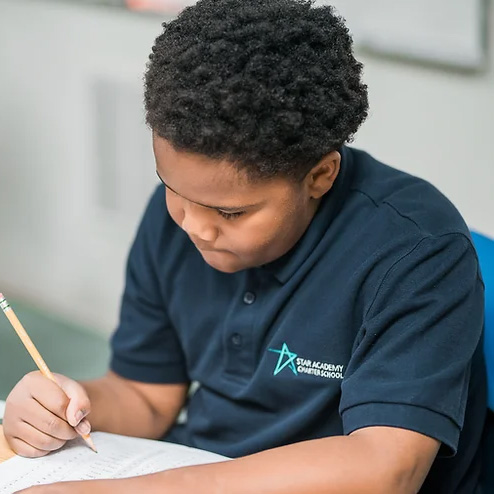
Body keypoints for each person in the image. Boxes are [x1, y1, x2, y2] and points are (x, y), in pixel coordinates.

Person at [4, 0, 486, 492]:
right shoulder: (182, 213)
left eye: (231, 213)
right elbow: (146, 397)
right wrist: (68, 406)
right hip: (198, 460)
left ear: (319, 175)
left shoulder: (417, 252)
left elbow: (385, 469)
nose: (195, 227)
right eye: (174, 191)